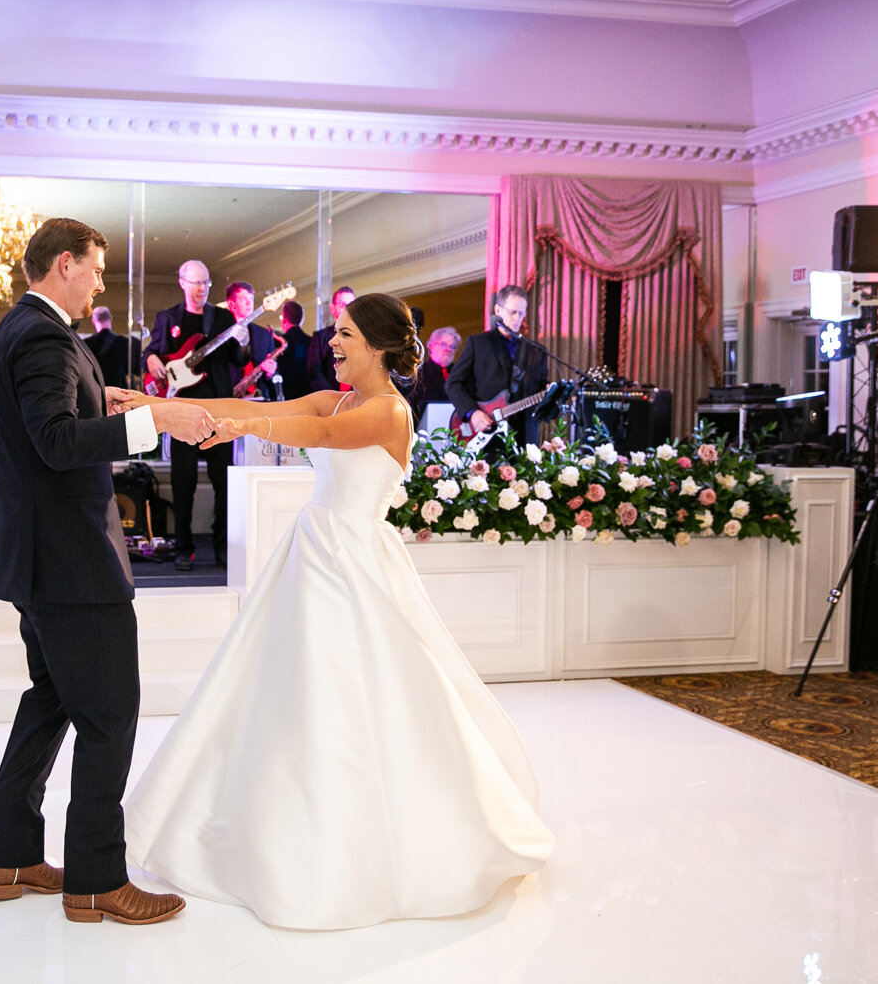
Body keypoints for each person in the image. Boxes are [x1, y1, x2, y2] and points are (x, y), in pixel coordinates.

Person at [120, 292, 554, 930]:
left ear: (378, 346)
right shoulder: (341, 396)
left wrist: (247, 428)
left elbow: (318, 435)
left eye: (346, 334)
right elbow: (249, 404)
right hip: (312, 551)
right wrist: (162, 409)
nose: (333, 344)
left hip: (353, 560)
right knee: (283, 689)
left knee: (357, 693)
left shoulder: (388, 411)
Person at [0, 217, 213, 927]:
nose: (101, 282)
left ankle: (9, 857)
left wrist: (102, 399)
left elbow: (41, 420)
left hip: (35, 556)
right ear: (62, 265)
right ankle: (96, 879)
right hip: (72, 562)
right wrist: (152, 423)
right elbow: (53, 442)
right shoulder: (46, 336)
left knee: (50, 699)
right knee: (108, 715)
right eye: (95, 268)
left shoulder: (14, 330)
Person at [144, 260, 240, 571]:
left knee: (224, 482)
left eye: (206, 284)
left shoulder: (223, 317)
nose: (201, 289)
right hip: (181, 411)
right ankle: (183, 548)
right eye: (195, 283)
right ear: (182, 282)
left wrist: (244, 341)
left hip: (218, 410)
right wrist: (151, 360)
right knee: (182, 483)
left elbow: (239, 357)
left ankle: (222, 546)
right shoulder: (167, 317)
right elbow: (149, 351)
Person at [446, 284, 549, 445]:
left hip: (525, 438)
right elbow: (453, 383)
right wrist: (473, 413)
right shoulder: (478, 343)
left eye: (521, 313)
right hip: (487, 436)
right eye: (512, 312)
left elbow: (541, 391)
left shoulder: (536, 351)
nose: (517, 318)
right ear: (498, 310)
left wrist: (551, 394)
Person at [224, 281, 279, 400]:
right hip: (228, 400)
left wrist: (271, 372)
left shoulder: (264, 334)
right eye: (244, 299)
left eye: (251, 298)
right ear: (231, 303)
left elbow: (275, 376)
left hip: (258, 400)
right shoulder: (220, 334)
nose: (250, 303)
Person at [407, 325, 461, 427]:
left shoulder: (460, 374)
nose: (448, 350)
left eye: (453, 346)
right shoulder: (417, 374)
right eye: (444, 345)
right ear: (431, 345)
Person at [304, 284, 355, 392]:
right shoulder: (320, 337)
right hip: (329, 400)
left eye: (350, 304)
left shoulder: (363, 337)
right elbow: (314, 372)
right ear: (332, 308)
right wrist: (334, 397)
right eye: (341, 304)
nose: (346, 308)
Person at [84, 305, 139, 389]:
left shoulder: (85, 344)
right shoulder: (127, 343)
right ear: (111, 319)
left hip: (96, 394)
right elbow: (136, 371)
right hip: (121, 393)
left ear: (93, 321)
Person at [274, 298, 311, 399]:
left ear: (284, 318)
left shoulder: (278, 342)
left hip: (286, 397)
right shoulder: (312, 341)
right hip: (309, 396)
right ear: (302, 319)